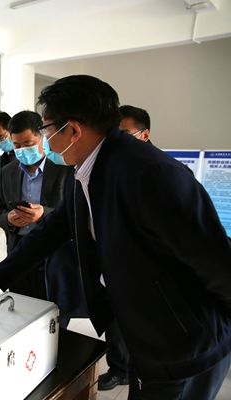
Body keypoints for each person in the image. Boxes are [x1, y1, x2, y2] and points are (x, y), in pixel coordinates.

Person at [0, 75, 231, 400]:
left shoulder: (150, 174)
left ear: (73, 130)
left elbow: (215, 260)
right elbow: (52, 230)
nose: (46, 140)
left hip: (186, 342)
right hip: (146, 330)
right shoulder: (85, 170)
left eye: (47, 130)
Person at [0, 110, 85, 328]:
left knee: (55, 317)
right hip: (19, 252)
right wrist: (8, 218)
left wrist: (44, 214)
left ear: (42, 137)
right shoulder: (8, 171)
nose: (22, 150)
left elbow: (77, 210)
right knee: (20, 313)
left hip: (55, 255)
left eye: (28, 144)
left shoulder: (65, 168)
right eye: (17, 145)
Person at [98, 104, 155, 391]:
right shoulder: (109, 170)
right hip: (114, 269)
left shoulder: (162, 174)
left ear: (144, 135)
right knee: (116, 325)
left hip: (147, 280)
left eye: (124, 134)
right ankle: (119, 368)